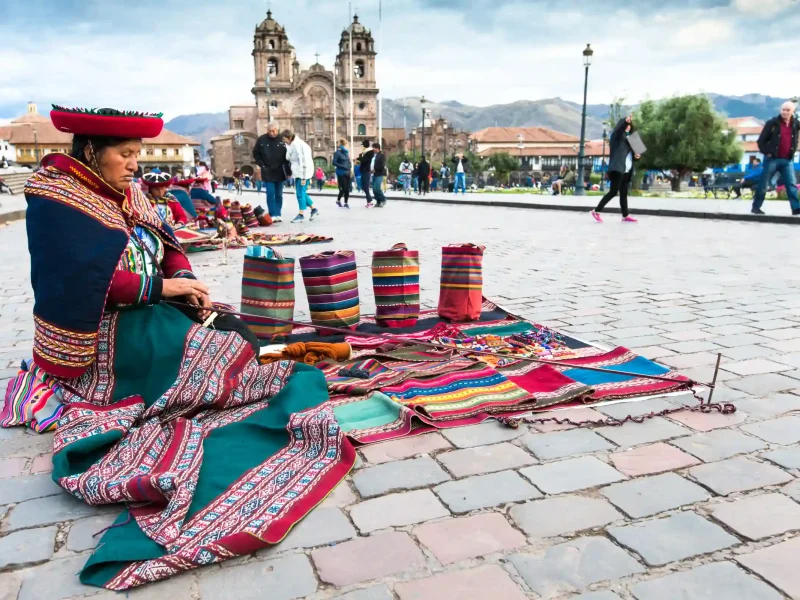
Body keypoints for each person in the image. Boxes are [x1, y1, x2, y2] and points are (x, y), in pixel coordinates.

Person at [18, 106, 348, 587]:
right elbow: (78, 282)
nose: (135, 164)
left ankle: (260, 358)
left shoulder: (129, 192)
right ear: (91, 151)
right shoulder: (57, 197)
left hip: (156, 306)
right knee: (217, 355)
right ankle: (264, 364)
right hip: (104, 328)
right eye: (125, 153)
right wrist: (162, 288)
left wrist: (185, 279)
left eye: (138, 153)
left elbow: (168, 245)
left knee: (236, 332)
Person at [752, 101, 800, 215]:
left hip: (787, 160)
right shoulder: (772, 123)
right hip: (772, 159)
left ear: (793, 111)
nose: (785, 112)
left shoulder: (795, 124)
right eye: (783, 109)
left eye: (788, 110)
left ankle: (796, 208)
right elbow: (761, 141)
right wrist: (767, 152)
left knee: (791, 185)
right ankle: (756, 207)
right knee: (764, 184)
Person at [591, 116, 640, 223]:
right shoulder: (616, 137)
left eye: (629, 126)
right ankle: (596, 211)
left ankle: (625, 215)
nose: (628, 127)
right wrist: (625, 122)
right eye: (626, 125)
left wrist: (637, 156)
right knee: (613, 192)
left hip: (627, 170)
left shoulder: (631, 138)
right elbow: (619, 130)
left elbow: (634, 155)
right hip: (617, 168)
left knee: (624, 193)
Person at [253, 121, 289, 222]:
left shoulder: (282, 139)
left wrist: (288, 170)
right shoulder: (261, 139)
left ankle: (278, 214)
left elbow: (288, 154)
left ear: (278, 130)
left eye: (273, 131)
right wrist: (261, 164)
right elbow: (256, 153)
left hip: (280, 170)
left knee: (279, 194)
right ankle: (272, 214)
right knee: (270, 193)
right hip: (267, 170)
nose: (271, 133)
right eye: (269, 131)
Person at [282, 129, 319, 223]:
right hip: (298, 172)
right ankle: (314, 209)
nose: (284, 141)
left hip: (303, 173)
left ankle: (301, 214)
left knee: (300, 194)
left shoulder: (299, 145)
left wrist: (304, 177)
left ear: (289, 137)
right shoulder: (291, 145)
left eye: (284, 139)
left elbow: (304, 161)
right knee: (301, 192)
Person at [332, 138, 352, 208]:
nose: (348, 146)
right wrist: (342, 166)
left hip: (347, 172)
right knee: (344, 188)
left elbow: (348, 161)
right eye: (347, 145)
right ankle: (338, 200)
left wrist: (350, 167)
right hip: (341, 172)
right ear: (344, 145)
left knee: (347, 188)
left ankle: (346, 202)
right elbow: (334, 162)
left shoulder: (346, 153)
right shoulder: (337, 152)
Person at [371, 142, 387, 208]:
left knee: (377, 188)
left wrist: (375, 169)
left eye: (373, 148)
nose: (372, 149)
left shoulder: (381, 155)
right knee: (374, 189)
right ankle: (378, 201)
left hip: (379, 174)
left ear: (377, 148)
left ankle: (383, 199)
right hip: (373, 174)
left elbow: (382, 165)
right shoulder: (373, 155)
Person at [358, 140, 374, 207]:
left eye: (363, 145)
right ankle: (369, 201)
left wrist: (360, 157)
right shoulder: (365, 152)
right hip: (364, 170)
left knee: (365, 186)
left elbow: (364, 160)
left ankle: (369, 201)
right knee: (364, 186)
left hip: (366, 170)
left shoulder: (369, 152)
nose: (362, 147)